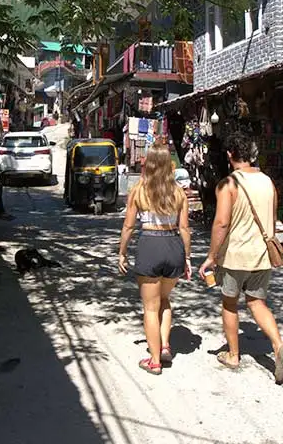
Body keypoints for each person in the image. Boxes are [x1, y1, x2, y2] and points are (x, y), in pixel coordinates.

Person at [199, 132, 283, 380]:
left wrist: (211, 256)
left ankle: (233, 355)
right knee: (257, 302)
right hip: (262, 255)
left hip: (235, 255)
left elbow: (222, 223)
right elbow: (273, 218)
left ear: (229, 155)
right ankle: (278, 346)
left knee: (230, 303)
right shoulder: (268, 182)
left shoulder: (228, 184)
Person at [118, 143, 192, 375]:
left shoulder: (139, 190)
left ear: (148, 163)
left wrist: (122, 252)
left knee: (151, 308)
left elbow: (129, 226)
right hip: (173, 246)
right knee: (165, 299)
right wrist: (187, 258)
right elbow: (185, 229)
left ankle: (154, 360)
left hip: (150, 244)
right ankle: (165, 345)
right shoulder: (179, 192)